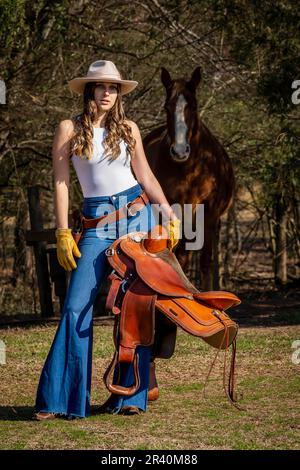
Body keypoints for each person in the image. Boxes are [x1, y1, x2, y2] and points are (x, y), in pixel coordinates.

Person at [34, 60, 180, 420]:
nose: (107, 93)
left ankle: (131, 396)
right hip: (97, 222)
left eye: (112, 88)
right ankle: (60, 400)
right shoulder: (69, 128)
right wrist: (63, 231)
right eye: (100, 87)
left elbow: (144, 175)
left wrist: (169, 215)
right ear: (88, 90)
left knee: (137, 307)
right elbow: (62, 182)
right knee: (75, 306)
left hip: (137, 216)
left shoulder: (129, 128)